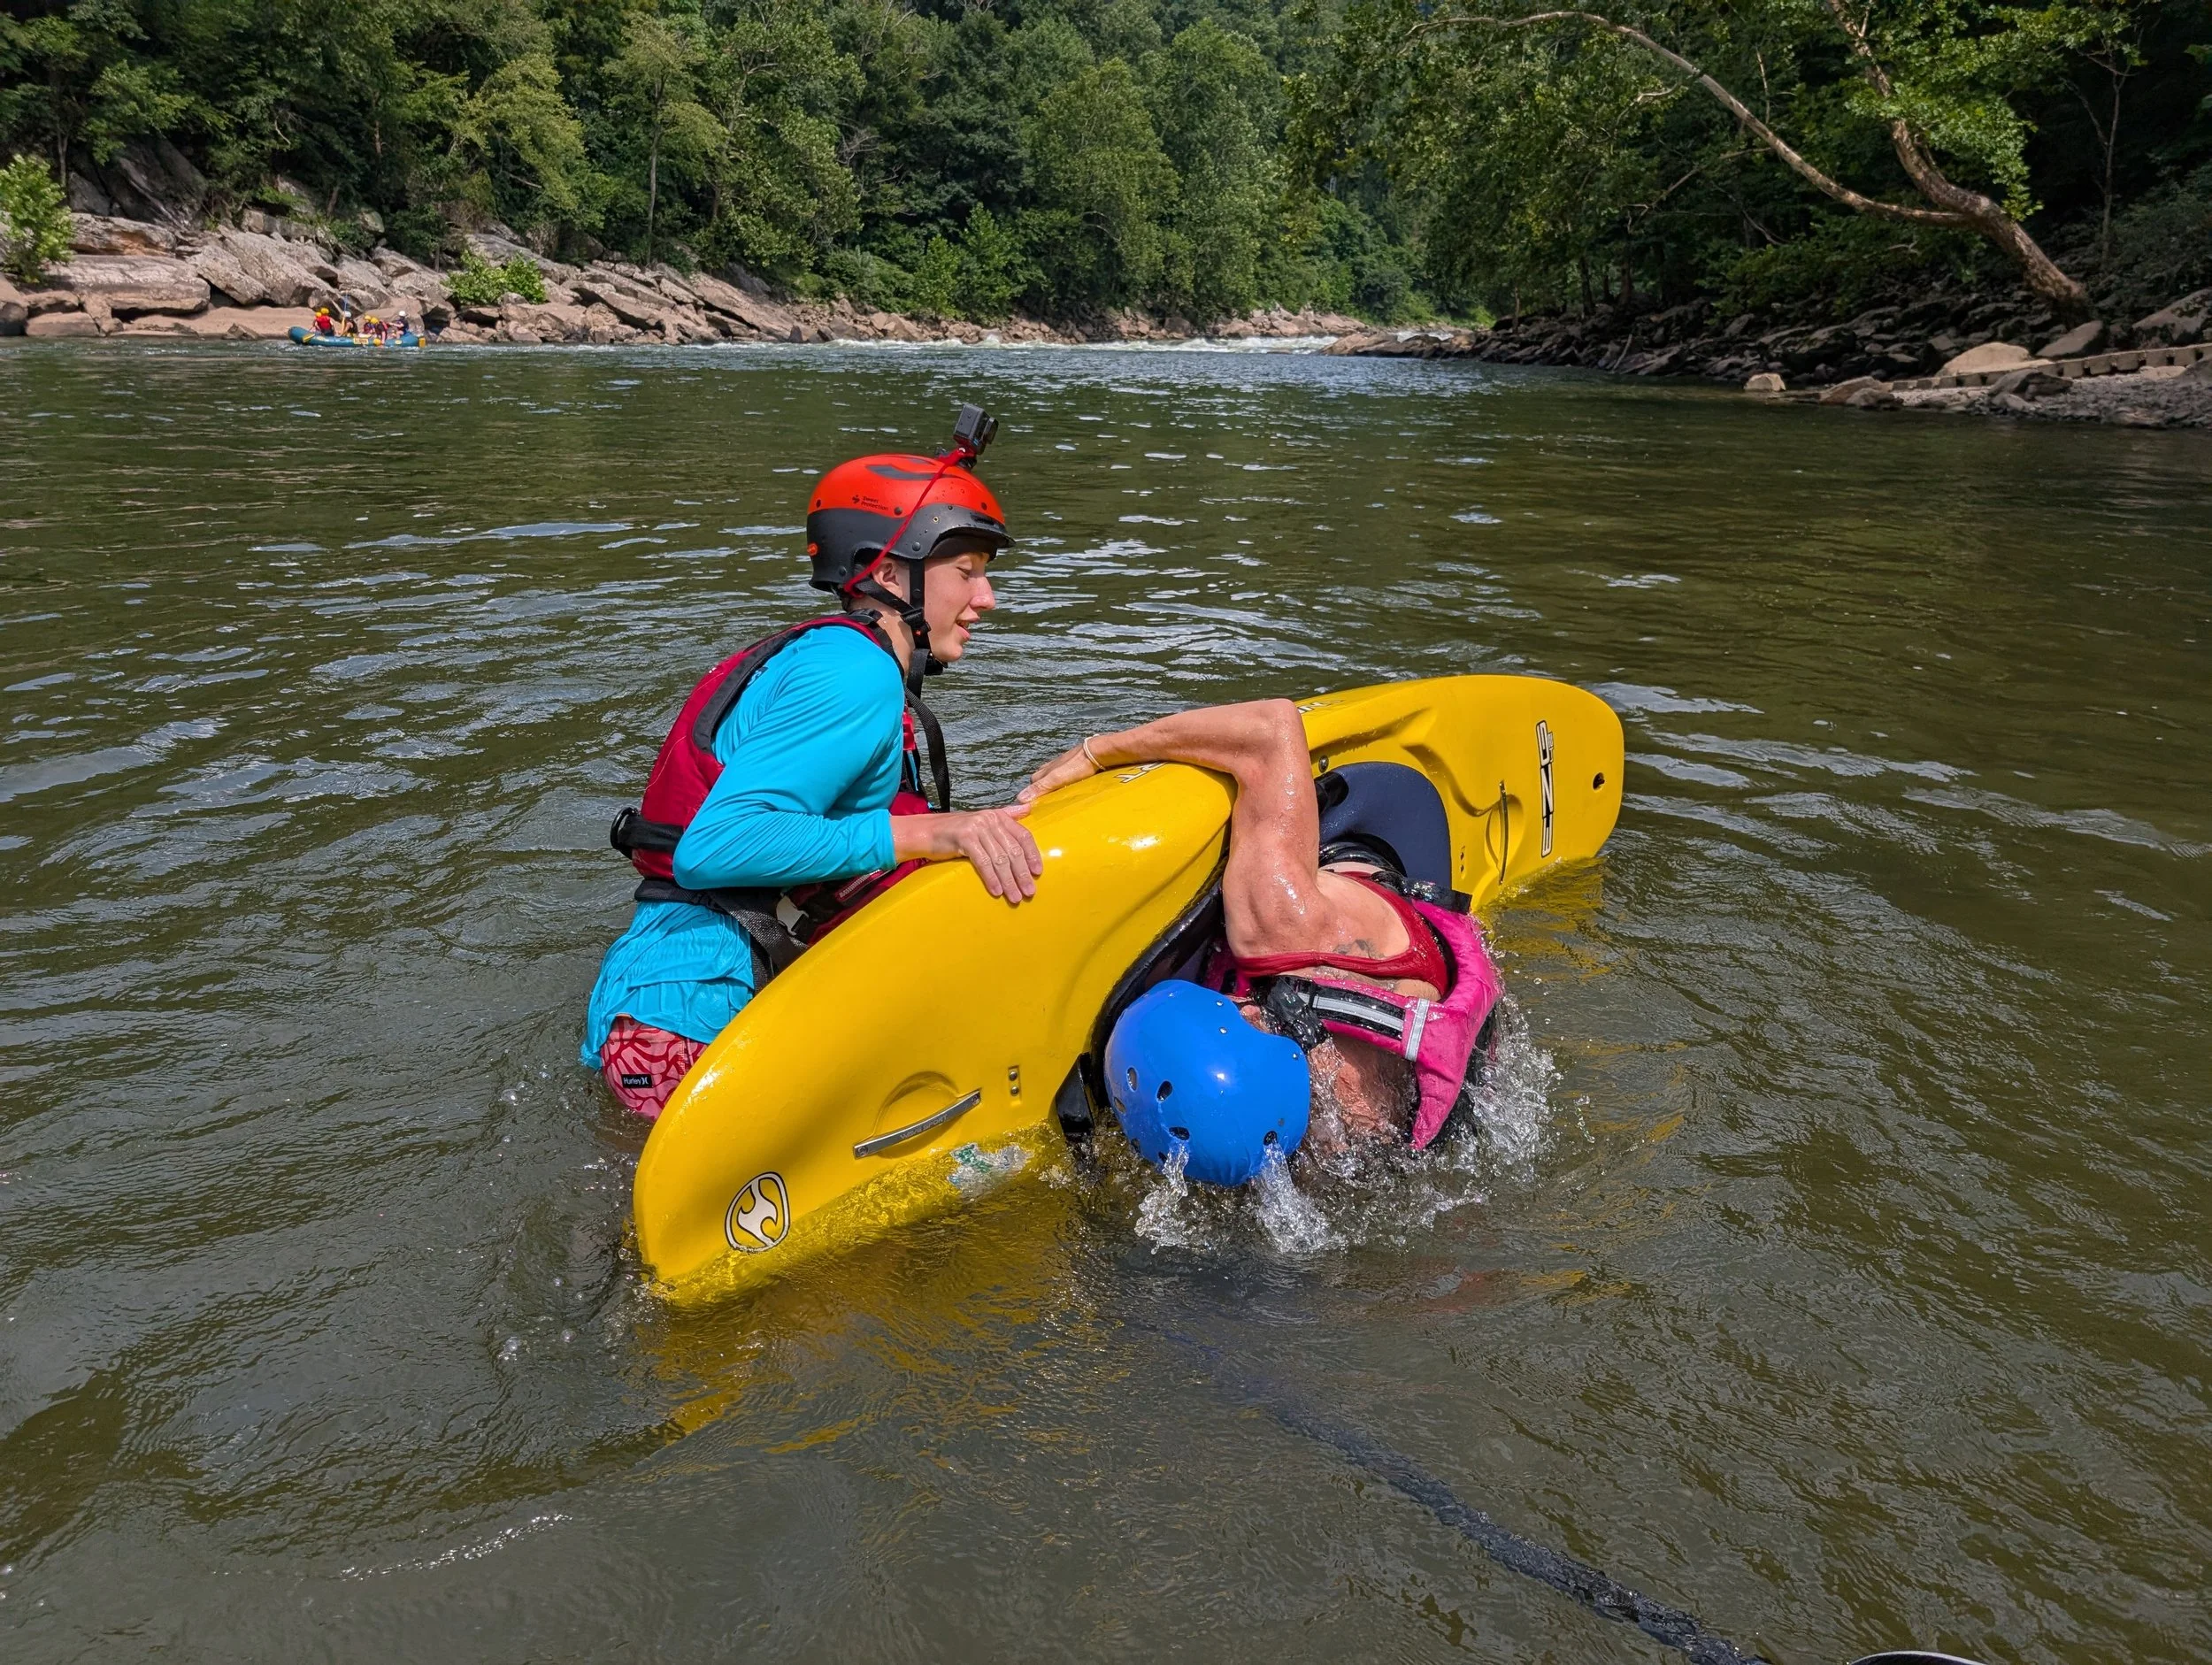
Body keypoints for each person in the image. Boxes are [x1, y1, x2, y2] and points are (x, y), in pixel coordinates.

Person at [583, 407, 1045, 1118]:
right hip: (694, 1020)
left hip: (664, 1005)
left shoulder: (834, 658)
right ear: (891, 573)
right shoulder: (853, 674)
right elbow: (717, 847)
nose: (986, 598)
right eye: (967, 572)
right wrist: (934, 833)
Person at [1018, 699, 1502, 1180]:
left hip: (1359, 929)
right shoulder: (1354, 1122)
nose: (1233, 999)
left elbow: (1273, 728)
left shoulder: (1276, 919)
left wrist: (1097, 751)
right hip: (1423, 964)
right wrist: (1098, 752)